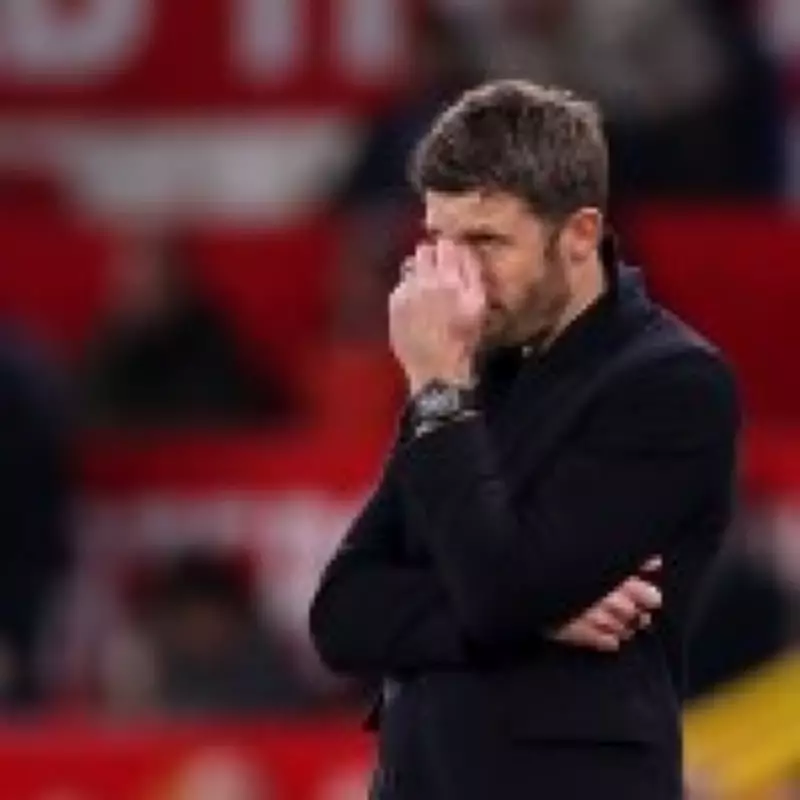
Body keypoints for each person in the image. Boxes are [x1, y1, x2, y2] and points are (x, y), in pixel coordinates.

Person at [309, 81, 739, 799]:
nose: (457, 280)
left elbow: (499, 595)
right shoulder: (470, 368)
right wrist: (534, 619)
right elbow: (342, 615)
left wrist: (438, 392)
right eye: (439, 241)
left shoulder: (672, 384)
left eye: (486, 241)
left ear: (580, 234)